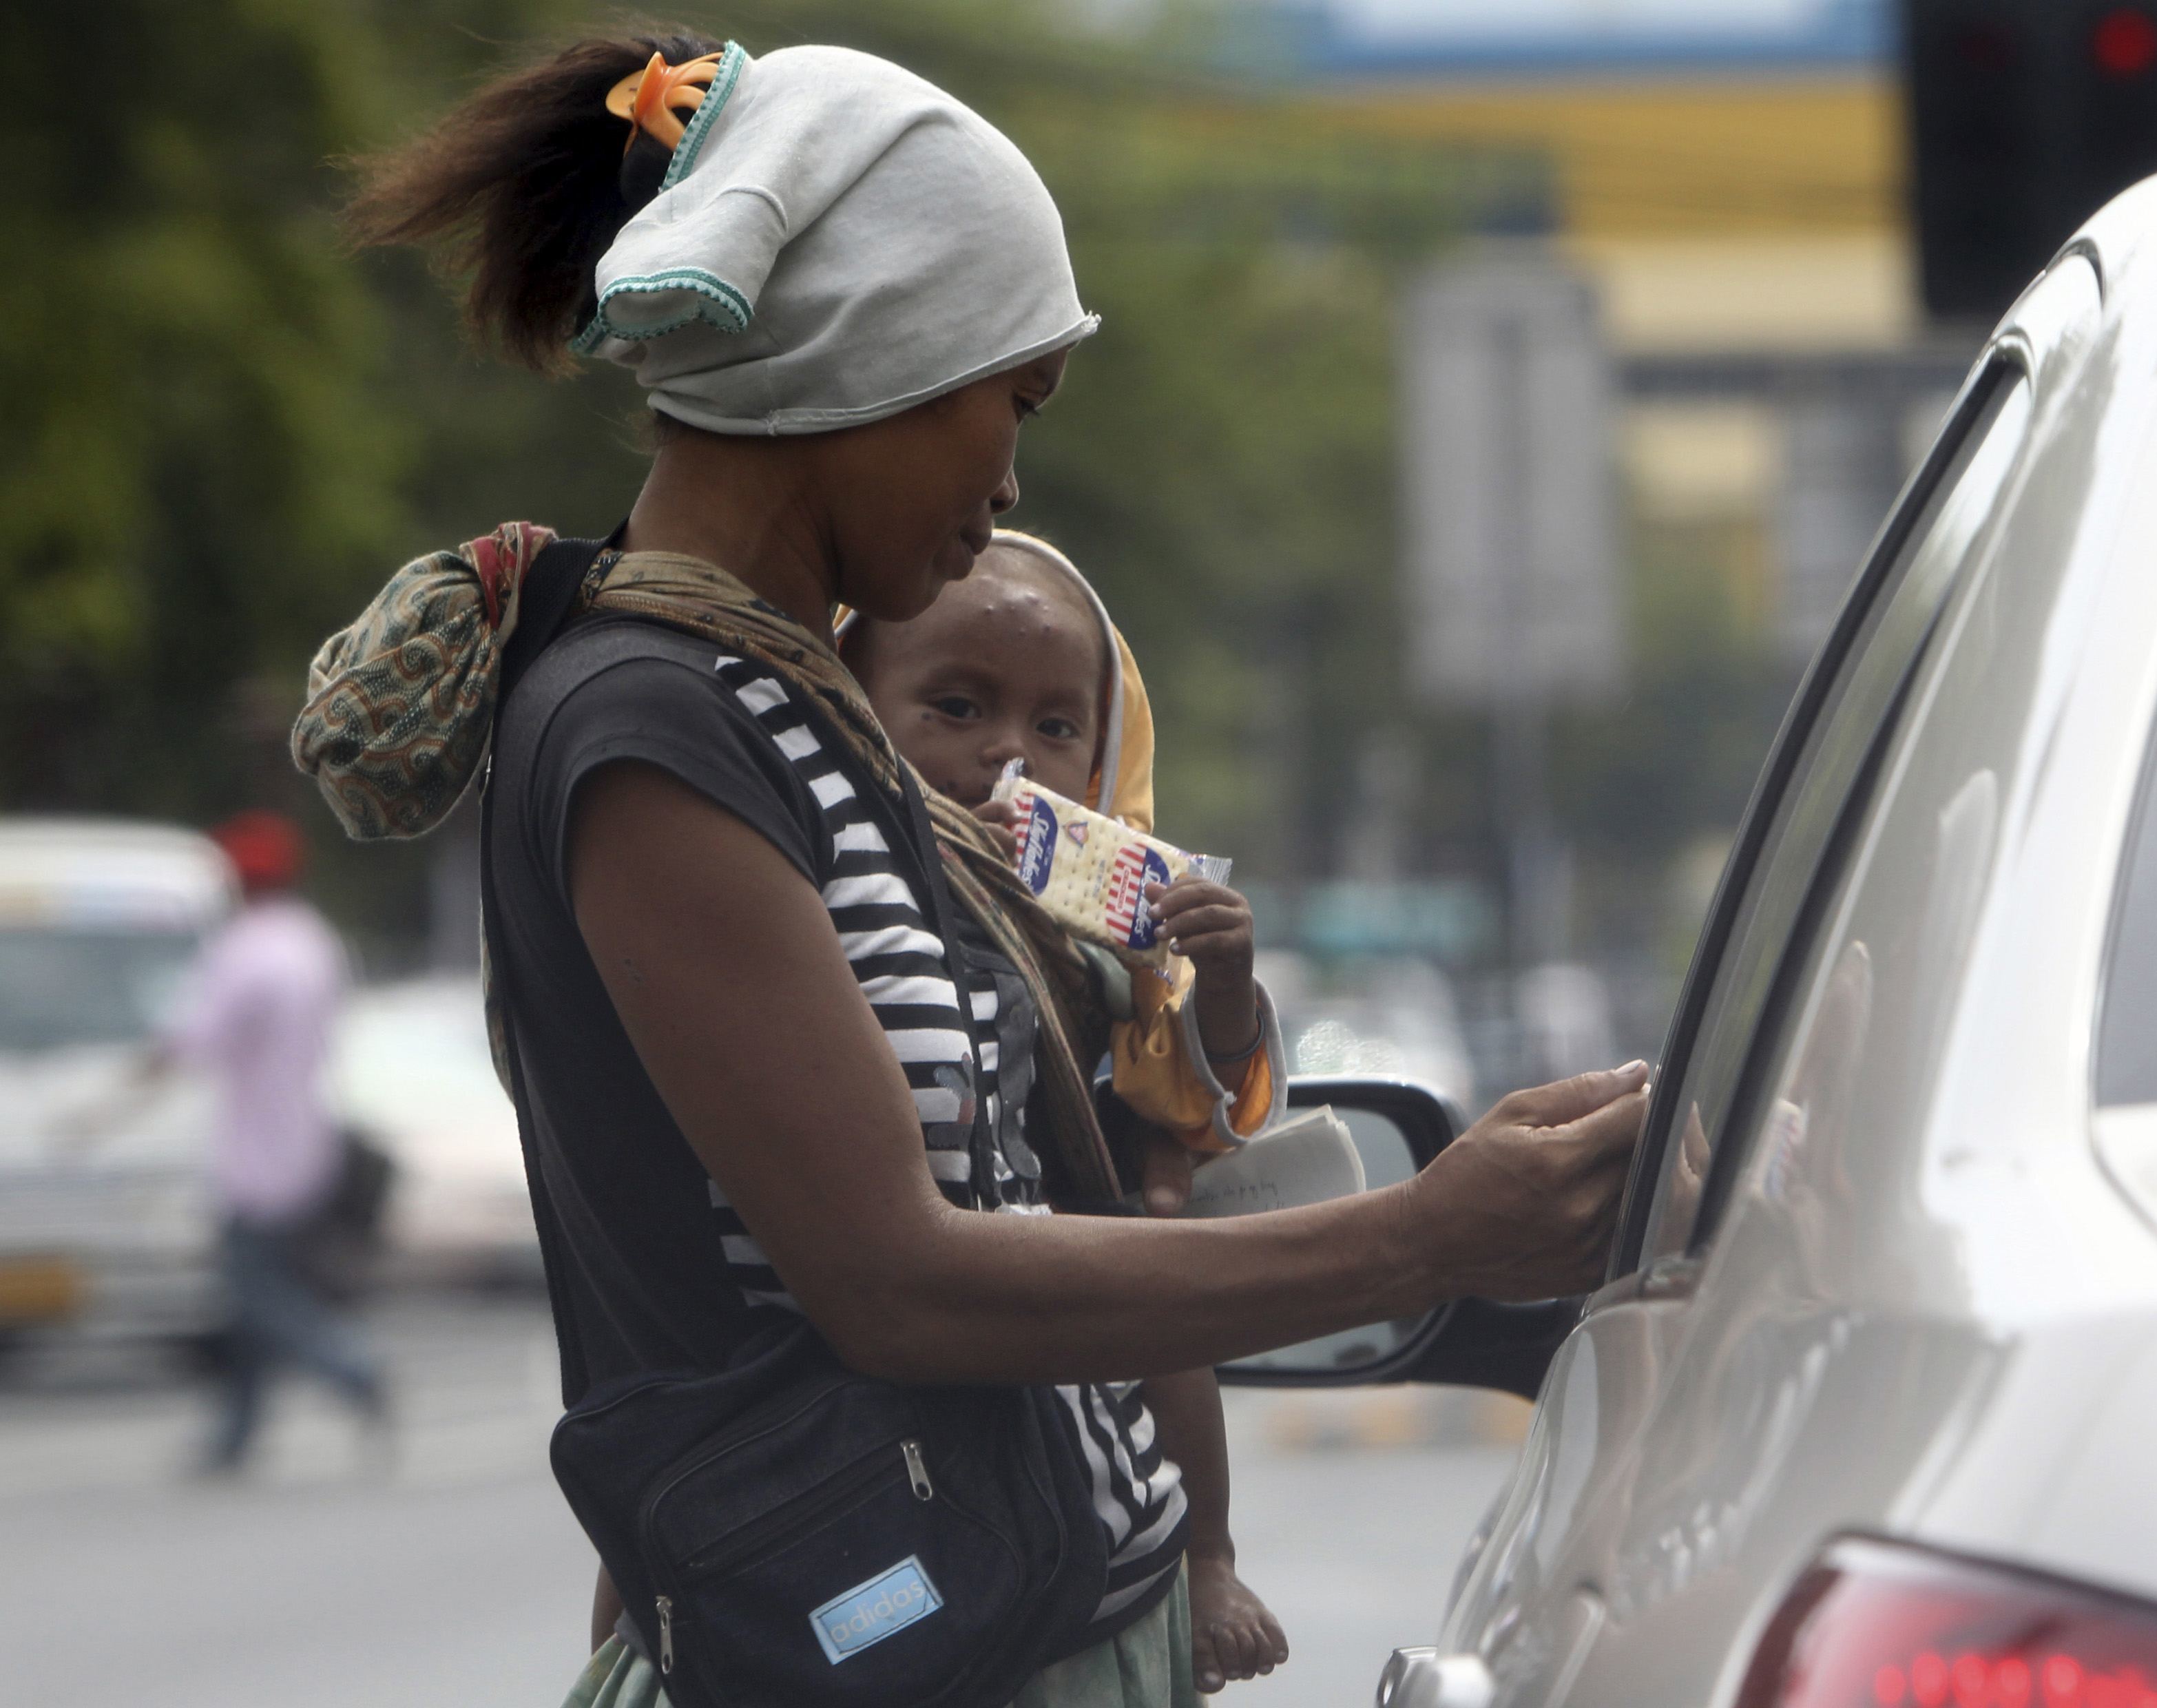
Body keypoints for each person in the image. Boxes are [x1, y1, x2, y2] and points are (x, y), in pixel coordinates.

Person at [297, 29, 1647, 1708]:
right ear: (879, 356)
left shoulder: (805, 714)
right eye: (1013, 398)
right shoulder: (652, 727)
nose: (1012, 475)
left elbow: (1035, 1185)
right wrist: (1421, 1240)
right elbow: (898, 1281)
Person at [844, 531, 1291, 1694]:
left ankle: (1207, 1556)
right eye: (954, 707)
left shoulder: (1098, 936)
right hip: (889, 1308)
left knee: (1159, 1305)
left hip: (1078, 1269)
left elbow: (1197, 1096)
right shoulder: (823, 903)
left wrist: (1225, 981)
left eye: (1055, 729)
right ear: (850, 713)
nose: (1009, 760)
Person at [164, 811, 386, 1474]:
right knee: (252, 1289)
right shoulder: (312, 941)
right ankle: (236, 1433)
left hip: (258, 1155)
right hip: (306, 1138)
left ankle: (353, 1369)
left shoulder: (247, 949)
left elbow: (193, 1038)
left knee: (256, 1291)